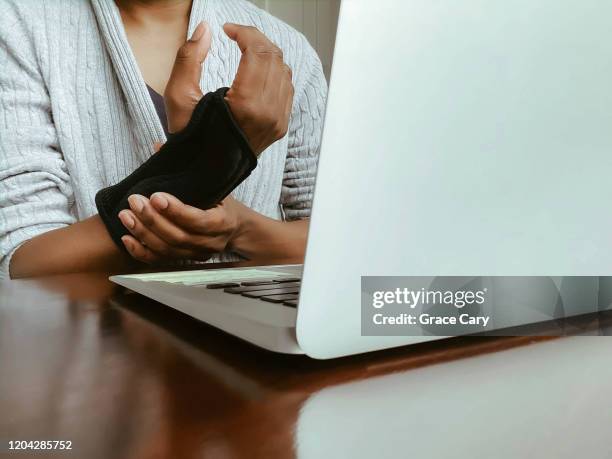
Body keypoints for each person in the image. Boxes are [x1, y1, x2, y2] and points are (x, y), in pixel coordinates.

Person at [0, 0, 327, 279]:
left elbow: (340, 244)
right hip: (94, 343)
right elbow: (21, 262)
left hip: (257, 342)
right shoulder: (16, 27)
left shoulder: (288, 49)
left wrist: (239, 229)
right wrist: (201, 170)